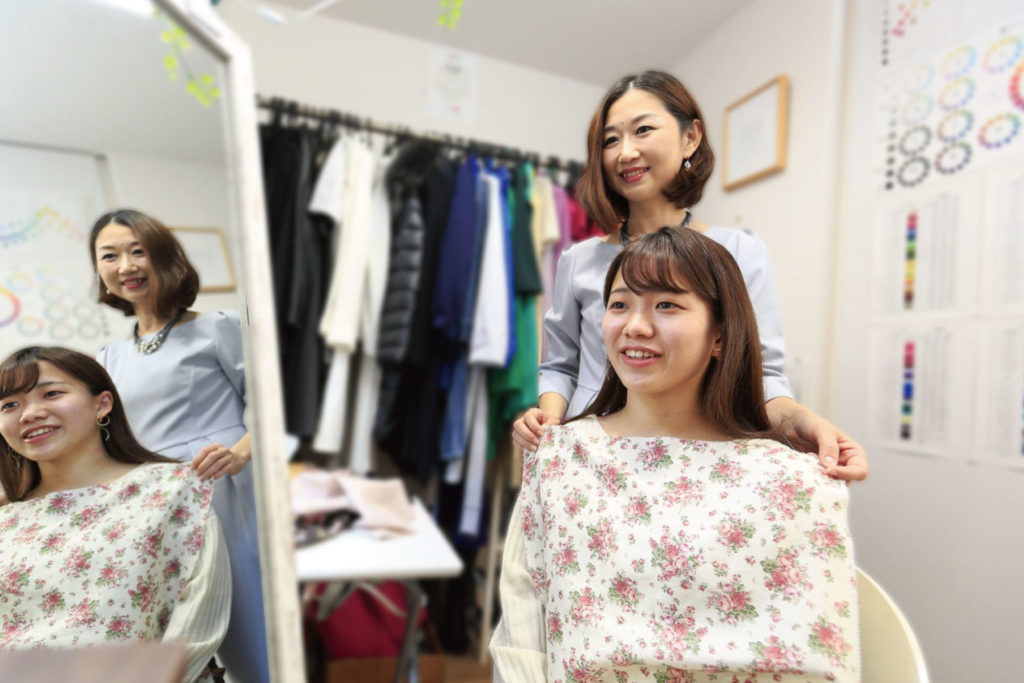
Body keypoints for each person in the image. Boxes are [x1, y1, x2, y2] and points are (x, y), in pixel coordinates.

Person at [491, 228, 861, 681]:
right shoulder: (561, 458)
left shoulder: (789, 481)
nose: (635, 326)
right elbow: (522, 629)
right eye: (619, 304)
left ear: (720, 334)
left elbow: (815, 659)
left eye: (666, 305)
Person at [513, 70, 866, 482]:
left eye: (643, 130)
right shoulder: (579, 260)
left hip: (700, 463)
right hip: (592, 458)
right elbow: (560, 365)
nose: (625, 152)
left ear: (691, 137)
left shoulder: (737, 252)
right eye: (610, 140)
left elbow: (762, 374)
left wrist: (801, 421)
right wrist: (548, 423)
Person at [89, 209, 268, 683]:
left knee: (250, 623)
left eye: (138, 251)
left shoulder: (218, 327)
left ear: (164, 257)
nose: (126, 265)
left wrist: (241, 452)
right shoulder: (108, 357)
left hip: (223, 484)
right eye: (110, 255)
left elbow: (275, 402)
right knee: (183, 636)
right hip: (157, 503)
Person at [0, 346, 230, 682]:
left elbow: (199, 622)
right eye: (9, 405)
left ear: (103, 403)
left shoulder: (173, 489)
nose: (30, 414)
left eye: (51, 394)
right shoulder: (7, 520)